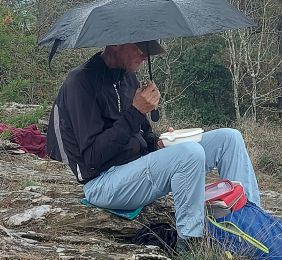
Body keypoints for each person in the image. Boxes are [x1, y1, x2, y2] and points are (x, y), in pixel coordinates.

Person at [46, 40, 260, 250]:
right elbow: (92, 158)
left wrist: (158, 142)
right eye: (140, 48)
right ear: (116, 43)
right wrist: (136, 111)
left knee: (229, 138)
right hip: (103, 183)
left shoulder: (128, 78)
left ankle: (252, 225)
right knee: (189, 153)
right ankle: (190, 245)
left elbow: (142, 133)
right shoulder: (80, 82)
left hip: (137, 170)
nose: (145, 55)